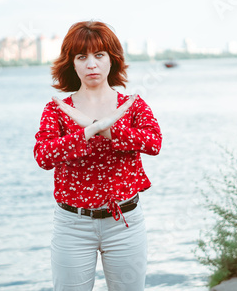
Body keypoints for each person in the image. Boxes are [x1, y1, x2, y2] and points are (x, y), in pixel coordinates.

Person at [33, 20, 162, 291]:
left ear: (112, 60)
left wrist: (107, 130)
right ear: (73, 63)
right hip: (72, 226)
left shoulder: (132, 105)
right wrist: (88, 130)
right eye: (82, 57)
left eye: (99, 55)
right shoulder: (57, 109)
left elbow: (153, 142)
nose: (91, 64)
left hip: (125, 223)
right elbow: (43, 156)